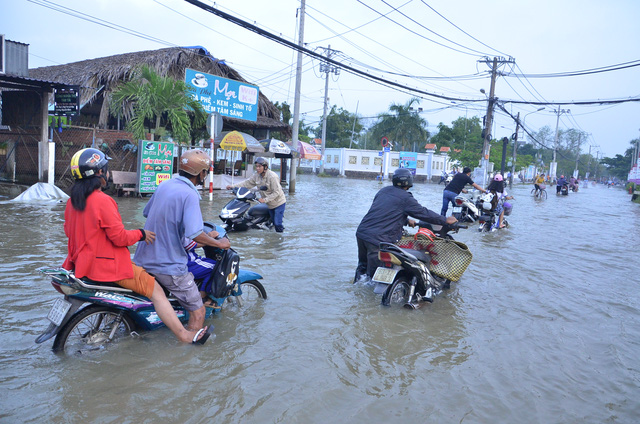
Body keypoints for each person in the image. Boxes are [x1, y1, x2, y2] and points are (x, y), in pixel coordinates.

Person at [62, 148, 210, 344]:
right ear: (99, 173)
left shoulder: (72, 202)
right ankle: (184, 336)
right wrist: (141, 234)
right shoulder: (103, 201)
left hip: (81, 264)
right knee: (157, 292)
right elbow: (120, 238)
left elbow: (70, 232)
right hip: (108, 267)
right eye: (105, 169)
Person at [134, 149, 230, 336]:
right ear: (201, 173)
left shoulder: (165, 185)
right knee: (198, 311)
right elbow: (195, 233)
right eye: (206, 171)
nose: (206, 175)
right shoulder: (190, 194)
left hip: (143, 259)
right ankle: (189, 352)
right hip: (169, 266)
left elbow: (147, 213)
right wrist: (219, 244)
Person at [354, 168, 457, 282]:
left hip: (362, 233)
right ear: (409, 182)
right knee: (373, 277)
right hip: (378, 238)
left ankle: (356, 291)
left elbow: (385, 212)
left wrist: (406, 220)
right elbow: (423, 213)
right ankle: (370, 298)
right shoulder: (406, 198)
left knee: (362, 268)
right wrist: (445, 220)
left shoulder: (383, 191)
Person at [226, 157, 286, 233]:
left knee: (277, 223)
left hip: (278, 203)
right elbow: (247, 183)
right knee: (274, 221)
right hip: (269, 204)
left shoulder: (272, 176)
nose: (257, 168)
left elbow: (277, 192)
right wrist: (233, 187)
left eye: (259, 166)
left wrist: (264, 199)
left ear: (265, 167)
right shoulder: (256, 176)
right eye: (256, 166)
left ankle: (280, 238)